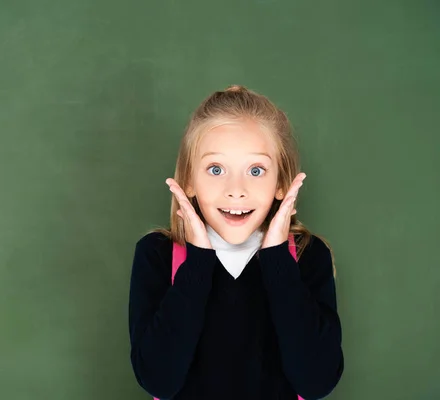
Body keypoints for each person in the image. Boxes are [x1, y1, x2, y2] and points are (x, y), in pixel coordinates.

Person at [128, 85, 343, 399]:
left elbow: (317, 382)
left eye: (256, 170)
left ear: (281, 183)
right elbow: (158, 380)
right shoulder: (156, 255)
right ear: (189, 179)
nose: (236, 190)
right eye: (216, 169)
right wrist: (199, 261)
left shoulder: (309, 256)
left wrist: (277, 260)